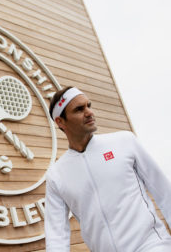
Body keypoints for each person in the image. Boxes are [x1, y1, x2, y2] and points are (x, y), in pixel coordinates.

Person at [45, 86, 171, 252]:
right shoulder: (57, 175)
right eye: (79, 109)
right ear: (60, 122)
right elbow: (56, 236)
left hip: (152, 245)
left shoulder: (125, 142)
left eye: (88, 105)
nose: (89, 112)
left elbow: (163, 191)